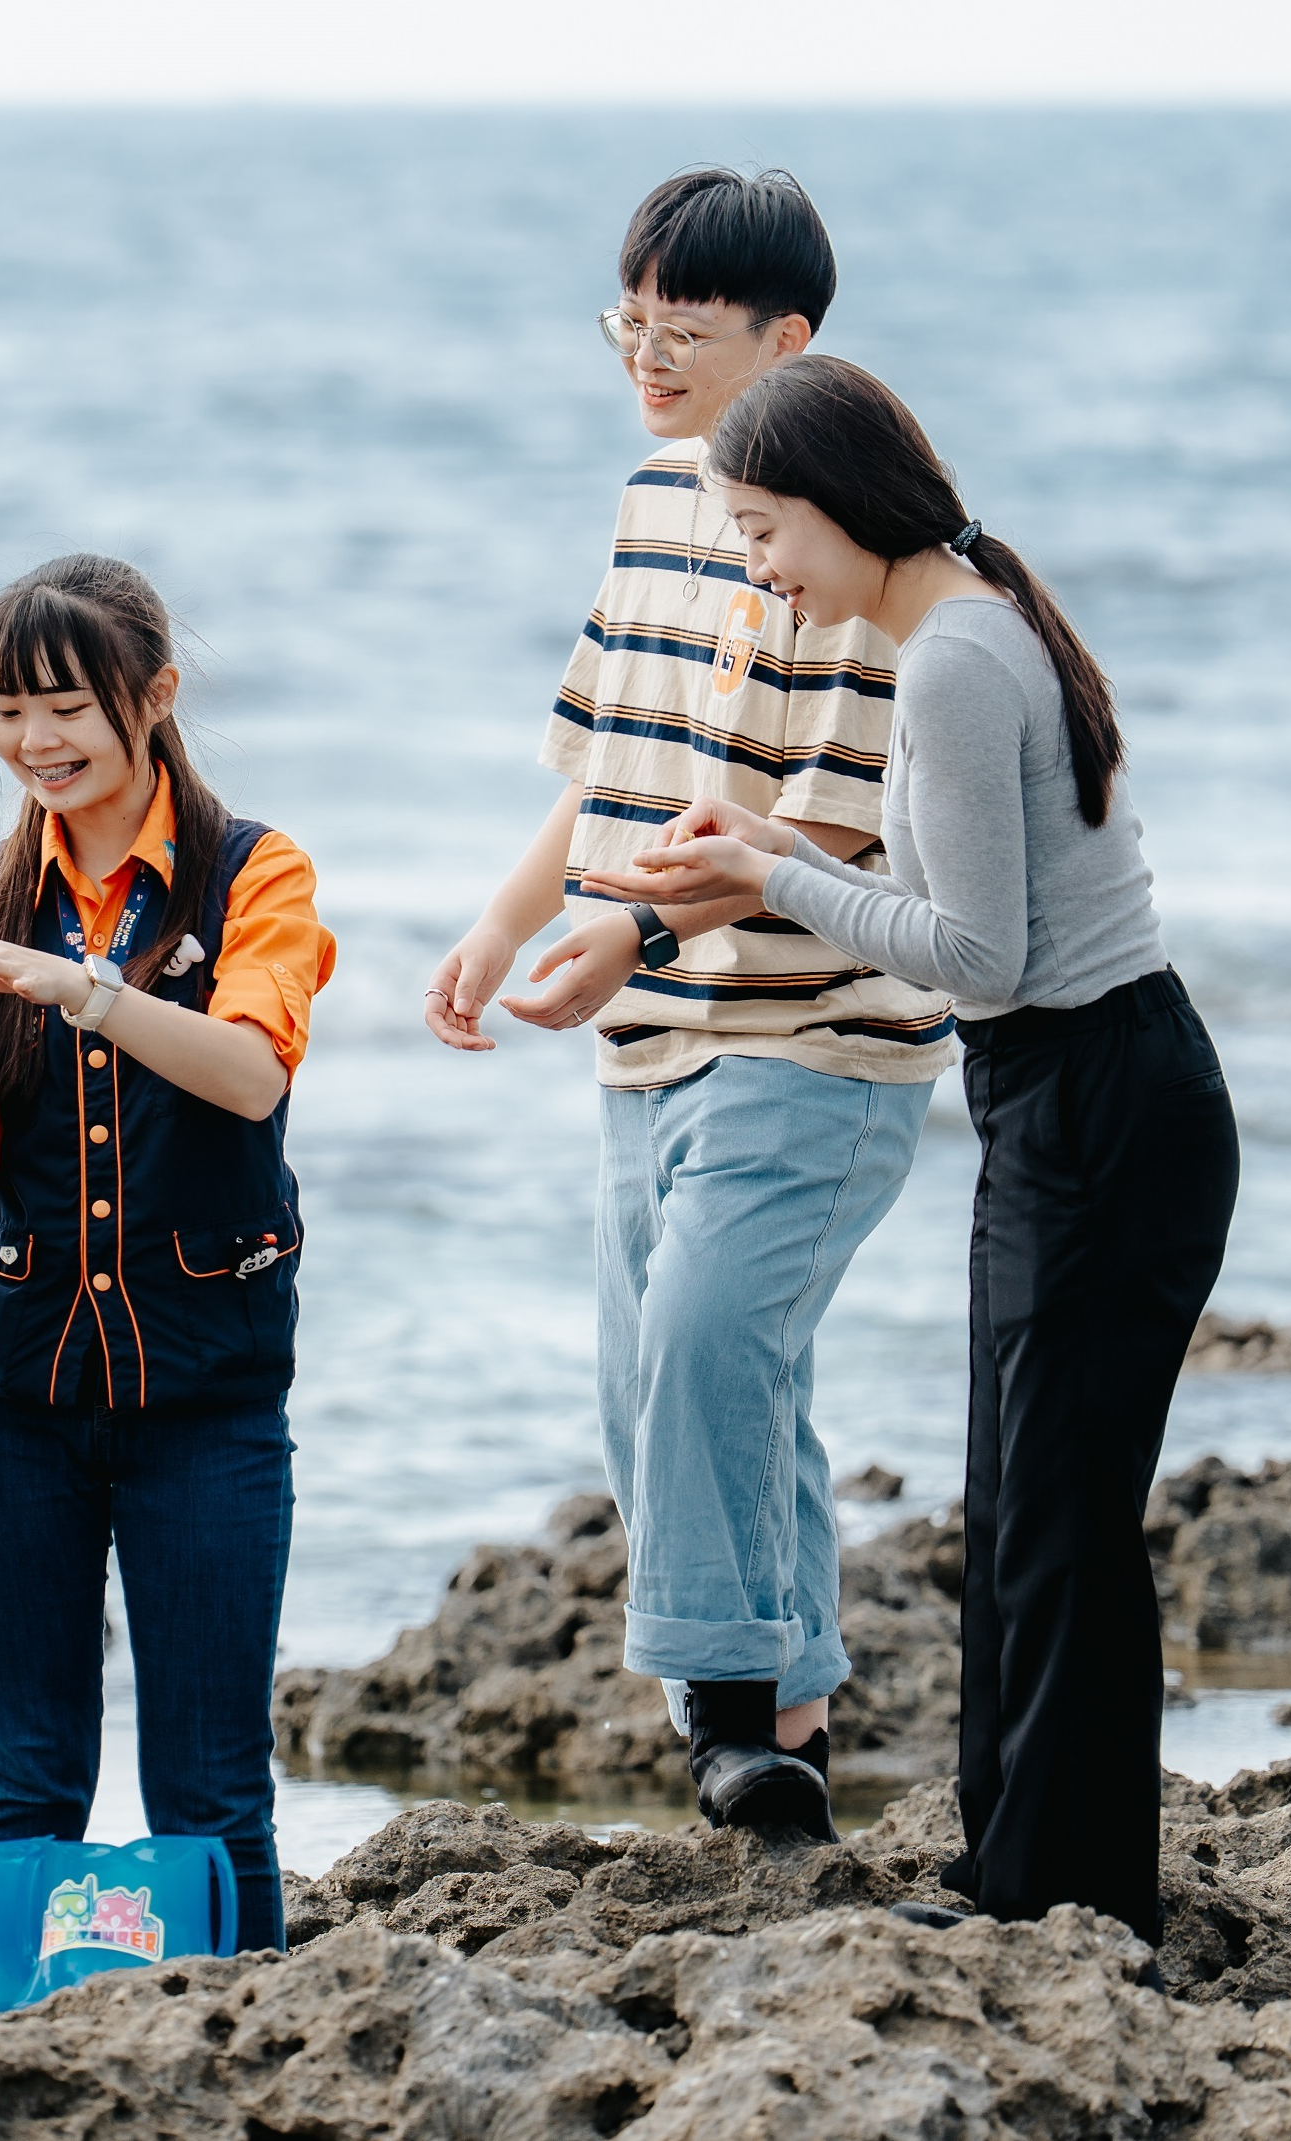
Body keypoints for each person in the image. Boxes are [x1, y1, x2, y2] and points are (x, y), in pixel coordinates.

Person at [589, 353, 1239, 1950]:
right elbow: (968, 900)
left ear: (842, 503)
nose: (758, 569)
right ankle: (1014, 1866)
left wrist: (772, 879)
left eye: (763, 532)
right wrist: (778, 856)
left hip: (1099, 1096)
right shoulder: (968, 622)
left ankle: (1070, 1889)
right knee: (1015, 1499)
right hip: (1076, 1095)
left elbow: (982, 956)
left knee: (1062, 1519)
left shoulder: (953, 658)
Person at [423, 169, 953, 1839]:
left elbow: (839, 824)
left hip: (818, 1026)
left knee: (707, 1340)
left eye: (684, 333)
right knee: (689, 1371)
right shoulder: (656, 502)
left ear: (786, 341)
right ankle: (784, 1712)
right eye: (626, 325)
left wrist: (621, 941)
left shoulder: (851, 553)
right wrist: (511, 922)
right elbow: (611, 764)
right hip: (653, 1029)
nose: (645, 358)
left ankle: (725, 1713)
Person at [0, 554, 337, 1954]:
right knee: (23, 1785)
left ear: (156, 697)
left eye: (65, 705)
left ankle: (245, 2046)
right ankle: (6, 2042)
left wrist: (82, 986)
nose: (35, 742)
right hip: (9, 1389)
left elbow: (248, 1074)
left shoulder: (259, 869)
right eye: (6, 711)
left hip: (209, 1394)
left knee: (212, 1792)